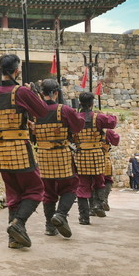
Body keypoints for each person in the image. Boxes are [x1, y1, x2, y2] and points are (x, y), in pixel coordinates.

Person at [0, 54, 48, 249]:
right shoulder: (21, 91)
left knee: (13, 194)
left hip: (1, 149)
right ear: (16, 71)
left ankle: (14, 238)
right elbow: (42, 111)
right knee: (36, 189)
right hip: (20, 148)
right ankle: (18, 223)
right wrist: (33, 92)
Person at [33, 79, 84, 239]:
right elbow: (78, 126)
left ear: (42, 93)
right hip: (61, 155)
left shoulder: (35, 112)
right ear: (56, 93)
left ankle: (49, 226)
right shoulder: (64, 110)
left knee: (48, 192)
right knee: (70, 187)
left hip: (42, 156)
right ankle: (61, 214)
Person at [72, 92, 117, 225]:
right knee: (99, 181)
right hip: (96, 155)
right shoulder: (97, 117)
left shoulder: (75, 117)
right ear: (92, 103)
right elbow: (112, 122)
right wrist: (110, 115)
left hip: (80, 155)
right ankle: (98, 204)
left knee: (82, 186)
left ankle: (84, 217)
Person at [99, 128, 120, 211]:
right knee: (107, 180)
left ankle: (93, 206)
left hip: (85, 157)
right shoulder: (106, 131)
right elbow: (116, 140)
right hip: (103, 158)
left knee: (91, 181)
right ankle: (103, 200)